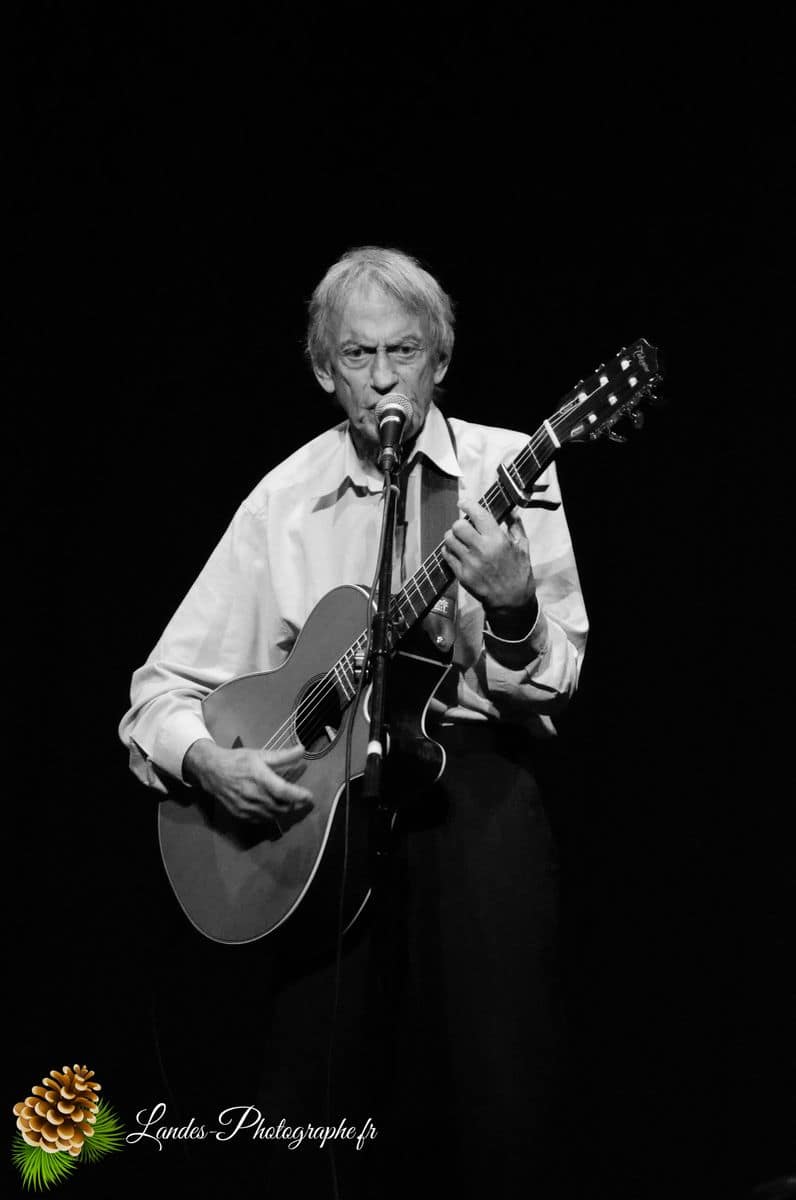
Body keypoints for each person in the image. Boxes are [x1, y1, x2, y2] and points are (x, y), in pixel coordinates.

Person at [120, 246, 588, 1198]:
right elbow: (156, 694)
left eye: (404, 352)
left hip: (472, 790)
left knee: (504, 1098)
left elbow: (560, 677)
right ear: (325, 373)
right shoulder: (283, 502)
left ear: (440, 360)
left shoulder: (508, 468)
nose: (383, 378)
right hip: (322, 830)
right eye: (358, 356)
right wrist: (208, 760)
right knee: (310, 1111)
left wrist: (511, 610)